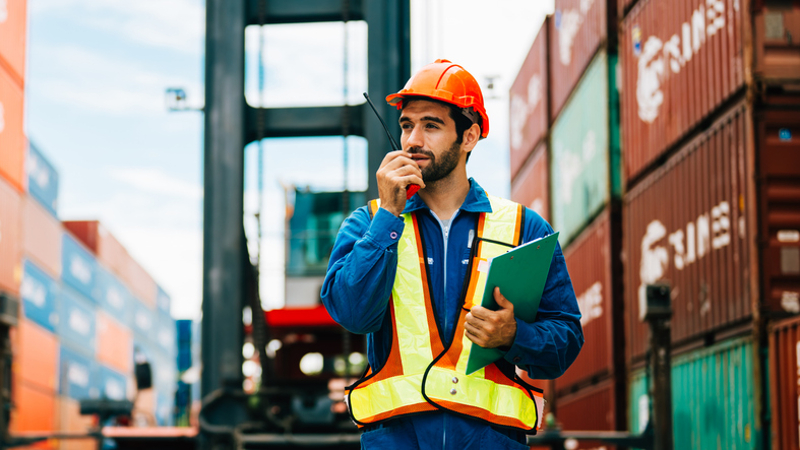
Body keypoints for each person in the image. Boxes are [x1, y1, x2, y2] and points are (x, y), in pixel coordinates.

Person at [321, 59, 583, 450]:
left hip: (491, 441)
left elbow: (565, 342)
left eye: (431, 125)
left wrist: (515, 335)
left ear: (469, 136)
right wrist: (389, 217)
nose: (412, 140)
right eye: (407, 125)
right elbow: (354, 315)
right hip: (397, 442)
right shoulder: (369, 223)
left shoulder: (524, 229)